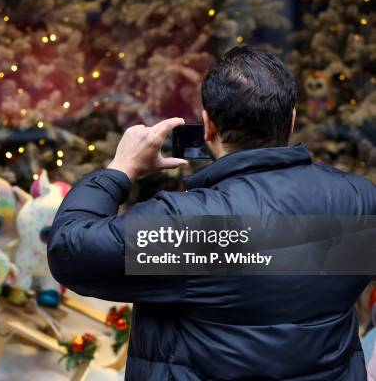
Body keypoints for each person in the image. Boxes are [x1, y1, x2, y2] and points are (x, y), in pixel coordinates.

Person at [47, 45, 376, 380]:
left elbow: (70, 250)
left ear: (208, 126)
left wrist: (121, 169)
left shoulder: (192, 228)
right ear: (290, 120)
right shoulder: (360, 201)